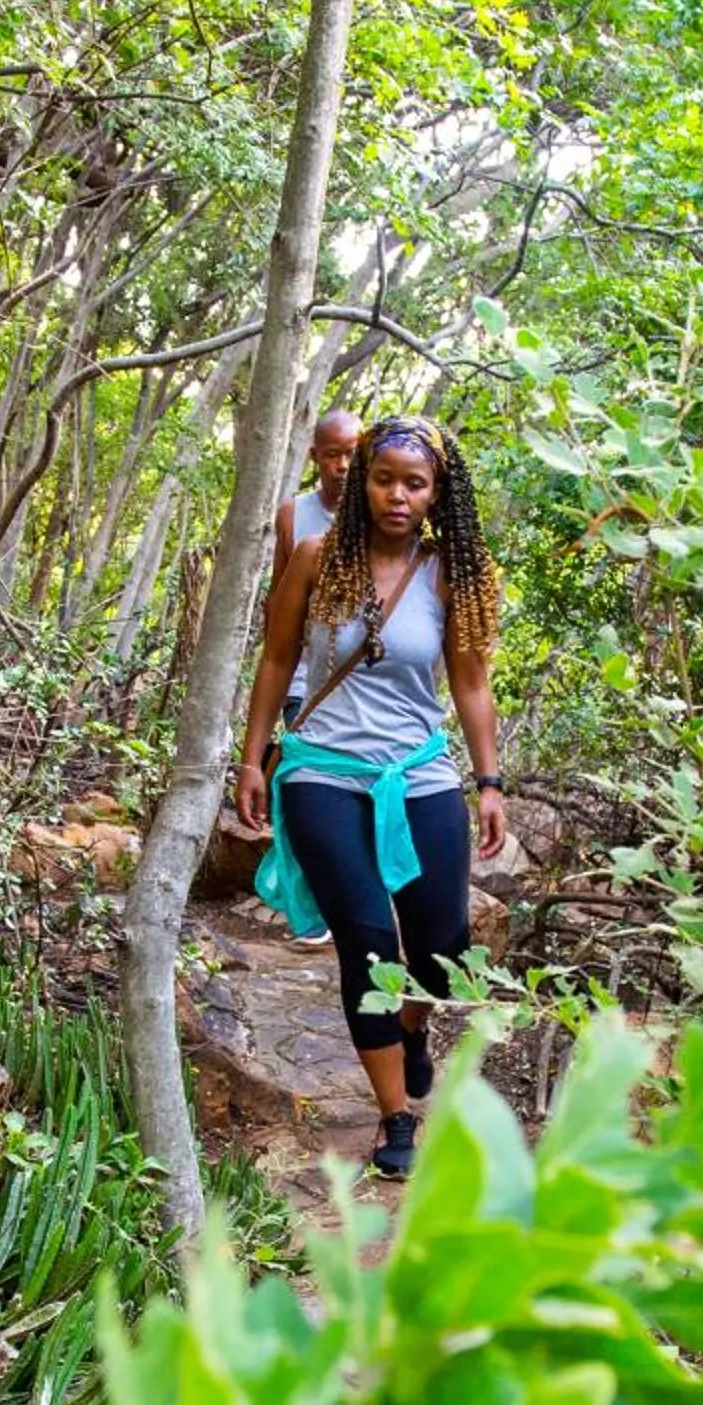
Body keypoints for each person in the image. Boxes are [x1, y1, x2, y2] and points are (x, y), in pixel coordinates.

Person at [232, 415, 507, 1179]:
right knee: (365, 938)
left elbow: (471, 684)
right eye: (383, 478)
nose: (396, 494)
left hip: (418, 770)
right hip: (322, 767)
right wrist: (253, 760)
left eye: (413, 483)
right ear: (362, 480)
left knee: (445, 942)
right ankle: (396, 1115)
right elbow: (278, 657)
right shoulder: (318, 558)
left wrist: (489, 782)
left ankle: (414, 1029)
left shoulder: (451, 574)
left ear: (436, 493)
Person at [263, 410, 361, 945]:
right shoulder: (294, 515)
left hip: (365, 682)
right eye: (333, 453)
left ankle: (345, 897)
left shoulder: (383, 512)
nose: (343, 465)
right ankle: (313, 910)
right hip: (306, 680)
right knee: (307, 790)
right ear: (315, 456)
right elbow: (277, 602)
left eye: (353, 452)